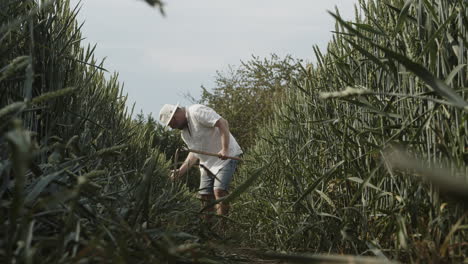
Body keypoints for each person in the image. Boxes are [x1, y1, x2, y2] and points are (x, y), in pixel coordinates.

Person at [159, 103, 242, 219]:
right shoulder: (184, 134)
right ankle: (207, 229)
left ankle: (223, 227)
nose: (172, 127)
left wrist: (225, 149)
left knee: (219, 191)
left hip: (226, 157)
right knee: (204, 196)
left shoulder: (196, 111)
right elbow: (195, 153)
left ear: (175, 115)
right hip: (207, 164)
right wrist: (180, 171)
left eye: (172, 124)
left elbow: (222, 122)